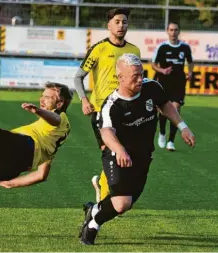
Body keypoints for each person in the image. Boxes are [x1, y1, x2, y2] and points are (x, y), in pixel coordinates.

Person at [78, 53, 196, 245]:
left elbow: (166, 105)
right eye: (135, 76)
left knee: (127, 202)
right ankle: (93, 226)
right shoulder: (111, 105)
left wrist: (183, 127)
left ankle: (94, 210)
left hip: (143, 155)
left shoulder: (152, 87)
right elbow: (107, 133)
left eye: (141, 74)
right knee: (121, 202)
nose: (140, 79)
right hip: (117, 154)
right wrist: (120, 150)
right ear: (121, 77)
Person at [74, 8, 141, 203]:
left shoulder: (134, 51)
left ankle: (106, 191)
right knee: (111, 152)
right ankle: (107, 199)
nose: (122, 26)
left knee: (126, 153)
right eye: (118, 22)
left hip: (126, 110)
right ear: (109, 25)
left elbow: (137, 81)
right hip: (101, 111)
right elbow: (78, 77)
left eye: (125, 22)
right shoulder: (99, 48)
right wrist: (84, 100)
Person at [152, 21, 194, 151]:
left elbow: (190, 62)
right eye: (171, 30)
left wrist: (190, 72)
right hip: (164, 82)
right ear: (167, 31)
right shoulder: (162, 47)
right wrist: (162, 71)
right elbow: (153, 64)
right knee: (164, 110)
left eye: (176, 30)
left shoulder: (185, 47)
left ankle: (171, 141)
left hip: (179, 83)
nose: (173, 32)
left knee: (175, 110)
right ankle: (163, 132)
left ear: (179, 31)